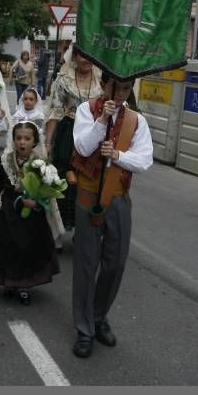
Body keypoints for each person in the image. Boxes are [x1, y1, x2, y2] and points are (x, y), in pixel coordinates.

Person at [70, 72, 153, 358]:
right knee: (85, 262)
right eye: (115, 86)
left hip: (118, 195)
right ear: (104, 83)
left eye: (127, 88)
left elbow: (144, 160)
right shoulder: (86, 109)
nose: (120, 93)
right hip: (88, 193)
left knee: (115, 262)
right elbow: (82, 146)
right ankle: (84, 329)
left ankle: (98, 315)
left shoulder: (136, 120)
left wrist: (118, 156)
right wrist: (102, 120)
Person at [0, 121, 61, 305]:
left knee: (27, 247)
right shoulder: (6, 160)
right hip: (9, 210)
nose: (22, 142)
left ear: (34, 141)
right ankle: (9, 282)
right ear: (13, 140)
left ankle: (24, 286)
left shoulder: (41, 164)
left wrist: (36, 201)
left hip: (32, 214)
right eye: (18, 138)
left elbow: (48, 189)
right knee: (8, 246)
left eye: (27, 138)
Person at [44, 44, 104, 234]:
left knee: (91, 178)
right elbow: (55, 111)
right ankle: (59, 229)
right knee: (64, 179)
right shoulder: (63, 80)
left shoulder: (103, 80)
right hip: (68, 133)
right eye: (81, 56)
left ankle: (86, 227)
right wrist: (47, 143)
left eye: (89, 56)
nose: (86, 60)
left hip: (95, 133)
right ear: (74, 57)